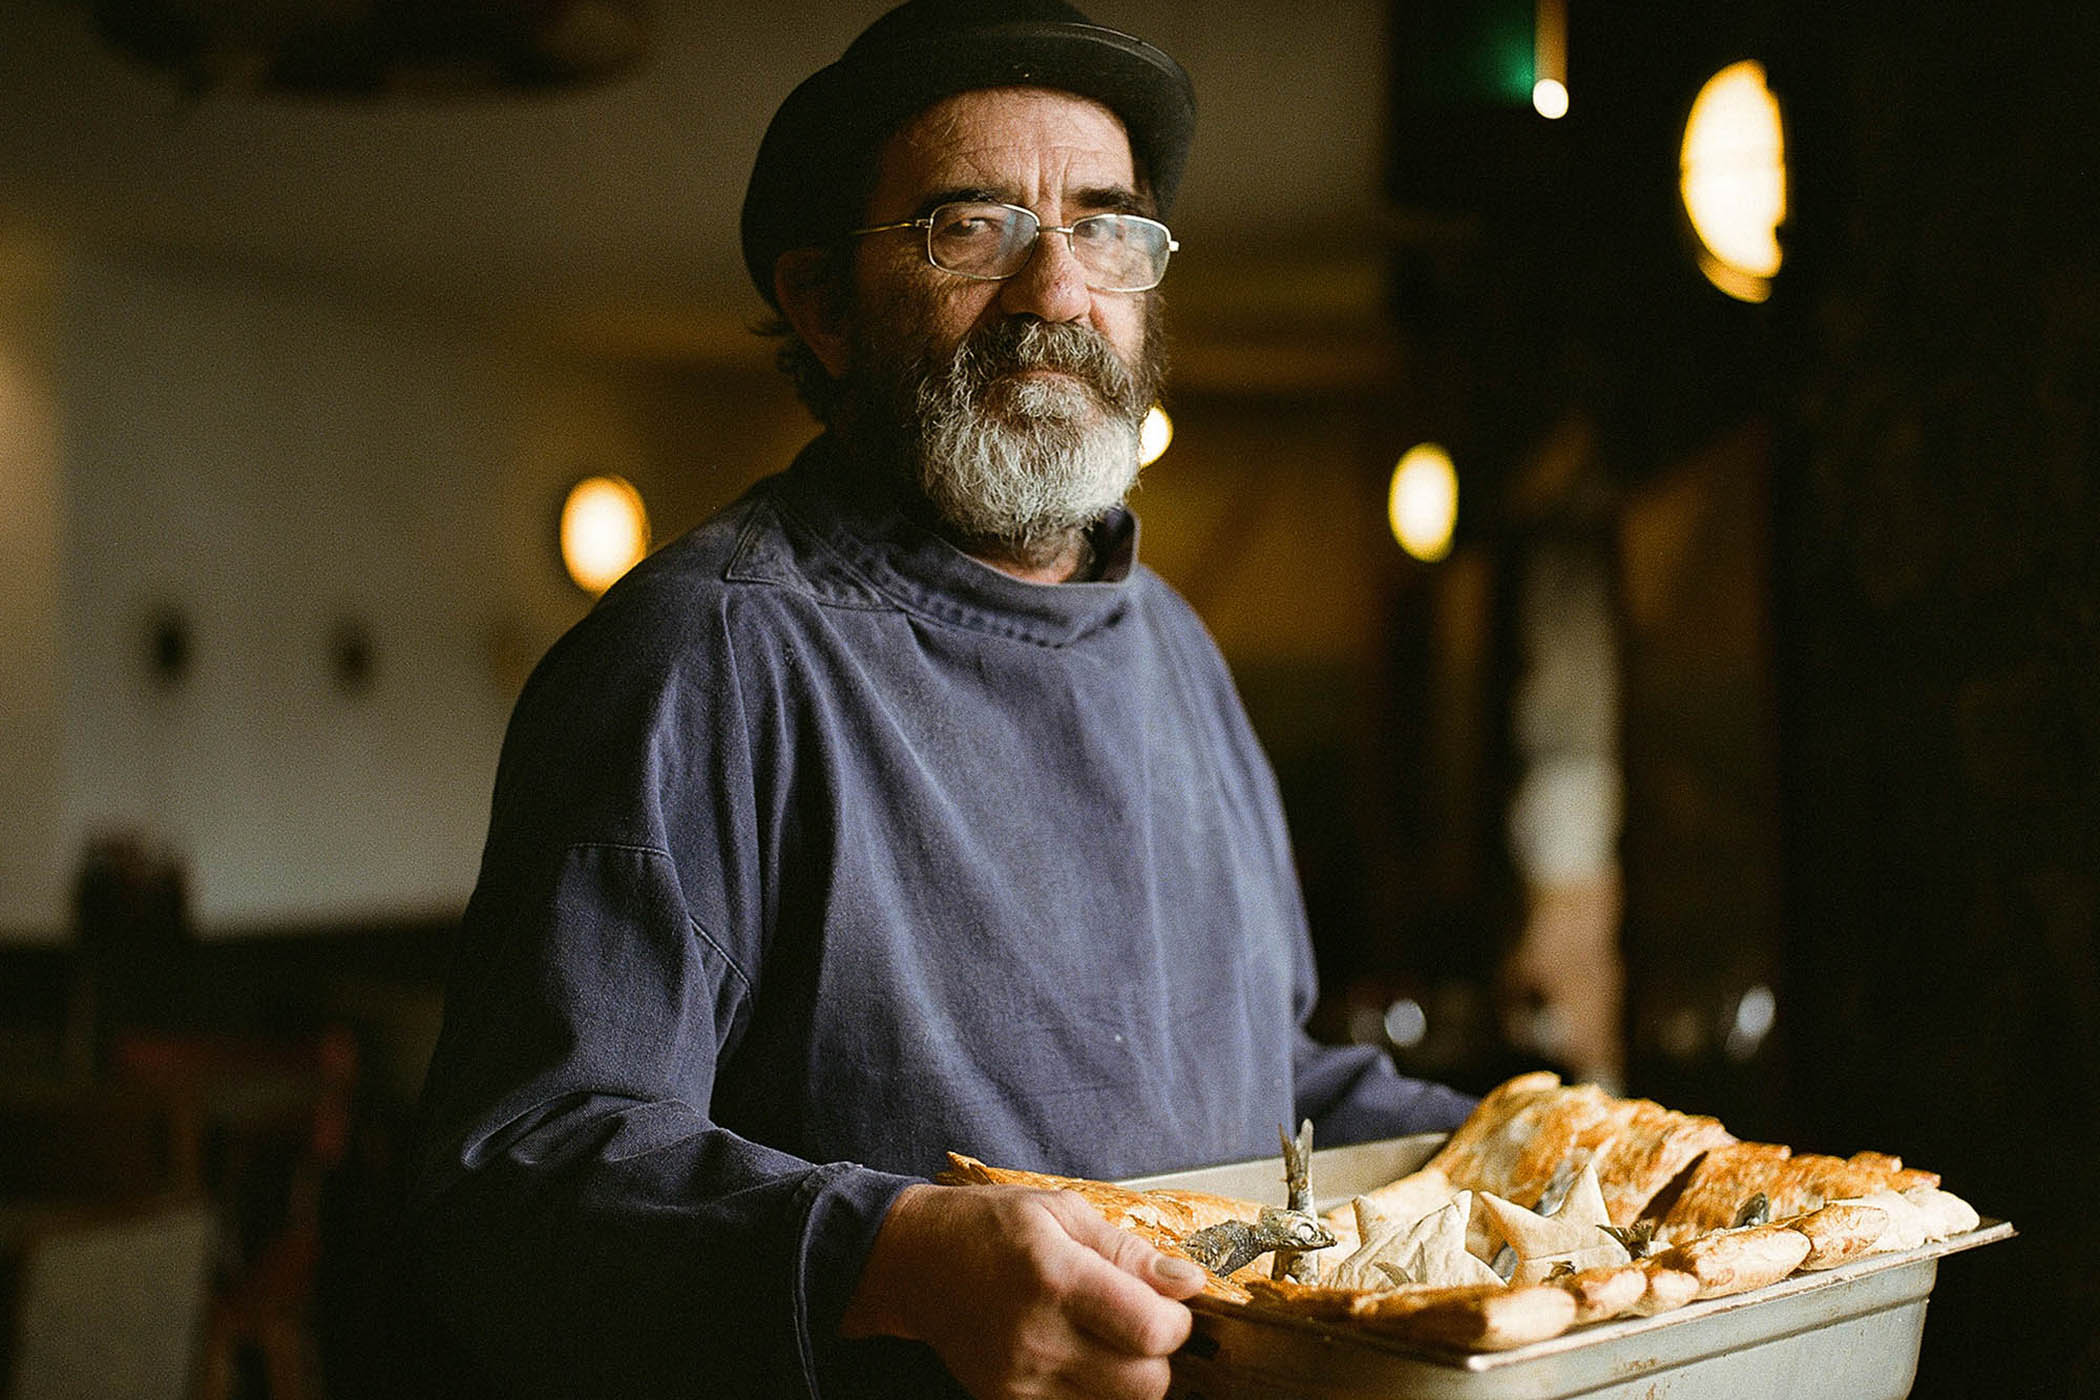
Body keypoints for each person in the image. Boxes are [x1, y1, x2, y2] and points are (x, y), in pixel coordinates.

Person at [405, 3, 1475, 1397]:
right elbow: (513, 1185)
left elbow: (1256, 1085)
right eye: (967, 229)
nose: (1054, 292)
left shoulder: (1176, 650)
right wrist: (891, 1258)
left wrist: (1596, 1151)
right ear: (823, 308)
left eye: (1104, 227)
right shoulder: (705, 655)